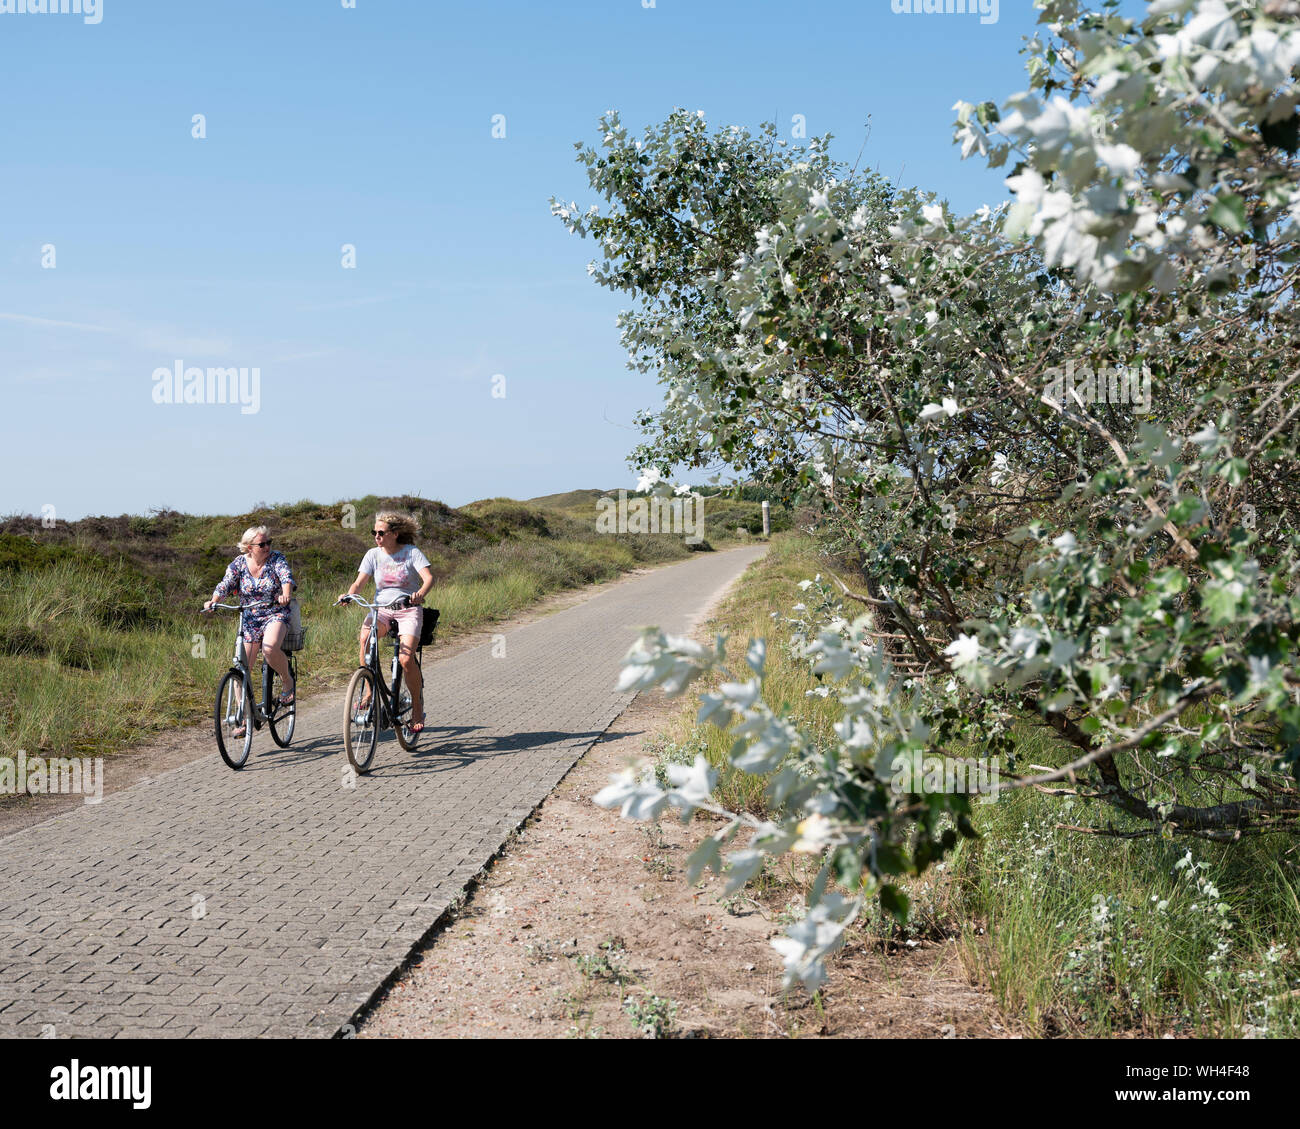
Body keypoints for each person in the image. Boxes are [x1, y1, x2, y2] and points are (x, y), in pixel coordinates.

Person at [338, 511, 434, 734]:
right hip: (381, 610)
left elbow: (428, 578)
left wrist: (419, 593)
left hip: (407, 609)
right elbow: (359, 583)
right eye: (374, 532)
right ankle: (371, 690)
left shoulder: (411, 552)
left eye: (381, 532)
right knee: (364, 639)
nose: (376, 536)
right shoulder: (373, 555)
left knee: (405, 658)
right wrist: (349, 595)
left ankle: (417, 708)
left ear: (395, 534)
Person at [204, 525, 296, 738]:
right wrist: (214, 601)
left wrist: (285, 594)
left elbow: (286, 577)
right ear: (248, 547)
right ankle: (245, 715)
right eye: (262, 544)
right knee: (241, 667)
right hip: (249, 617)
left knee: (270, 647)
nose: (267, 547)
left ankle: (287, 681)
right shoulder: (238, 564)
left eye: (268, 543)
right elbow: (225, 584)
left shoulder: (276, 559)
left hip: (274, 613)